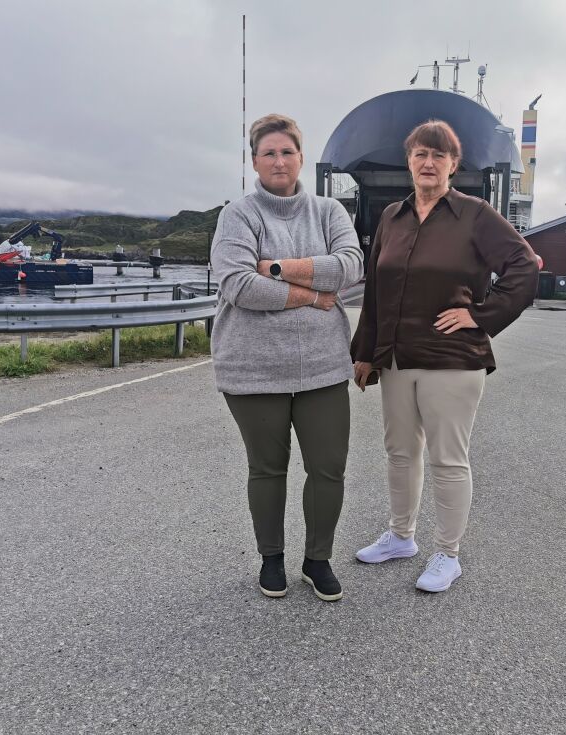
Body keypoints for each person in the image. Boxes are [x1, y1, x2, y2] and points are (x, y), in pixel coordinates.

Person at [351, 119, 539, 593]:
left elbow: (524, 265)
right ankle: (400, 537)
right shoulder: (391, 217)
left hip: (452, 359)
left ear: (454, 165)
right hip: (396, 357)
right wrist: (365, 352)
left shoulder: (475, 215)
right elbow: (377, 288)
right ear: (409, 162)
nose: (429, 163)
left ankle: (447, 554)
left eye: (439, 156)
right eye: (420, 155)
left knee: (447, 460)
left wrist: (481, 314)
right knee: (399, 453)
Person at [210, 113, 363, 601]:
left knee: (328, 467)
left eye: (288, 151)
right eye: (269, 152)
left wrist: (277, 268)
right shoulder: (238, 215)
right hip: (253, 370)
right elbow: (237, 285)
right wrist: (315, 295)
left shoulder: (330, 212)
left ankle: (317, 560)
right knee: (267, 469)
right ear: (255, 160)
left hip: (323, 367)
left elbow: (351, 269)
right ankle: (271, 559)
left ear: (301, 157)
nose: (279, 160)